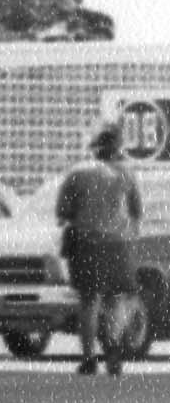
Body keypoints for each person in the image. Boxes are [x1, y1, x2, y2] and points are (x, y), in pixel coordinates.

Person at [55, 125, 146, 377]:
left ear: (95, 148)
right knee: (117, 298)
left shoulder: (77, 175)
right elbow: (137, 212)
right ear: (117, 149)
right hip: (119, 244)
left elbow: (62, 213)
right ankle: (114, 352)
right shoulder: (127, 175)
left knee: (89, 301)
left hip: (86, 244)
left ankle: (88, 358)